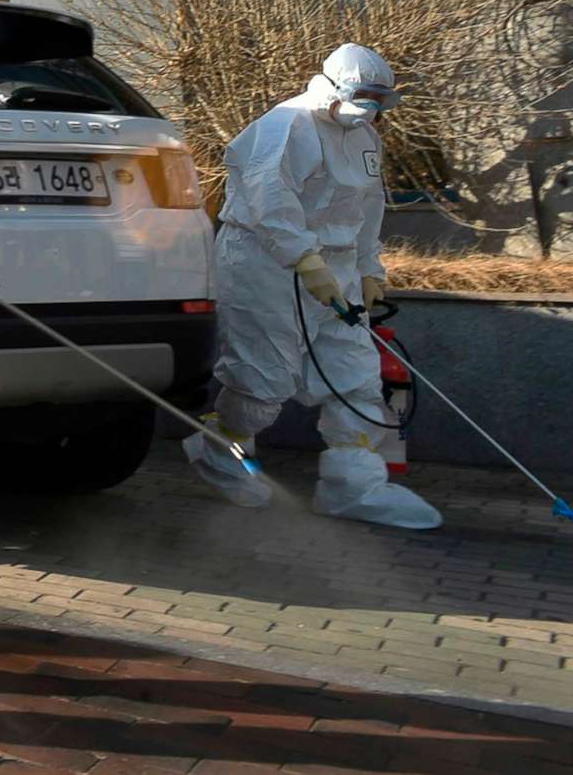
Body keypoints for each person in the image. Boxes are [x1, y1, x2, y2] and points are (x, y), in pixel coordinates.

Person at [183, 44, 441, 530]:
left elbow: (367, 209)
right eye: (365, 96)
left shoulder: (365, 136)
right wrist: (304, 260)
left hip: (336, 267)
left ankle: (353, 487)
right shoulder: (287, 126)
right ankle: (221, 455)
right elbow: (268, 200)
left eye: (381, 99)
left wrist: (369, 269)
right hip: (265, 264)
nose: (372, 107)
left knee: (356, 376)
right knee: (264, 379)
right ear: (335, 87)